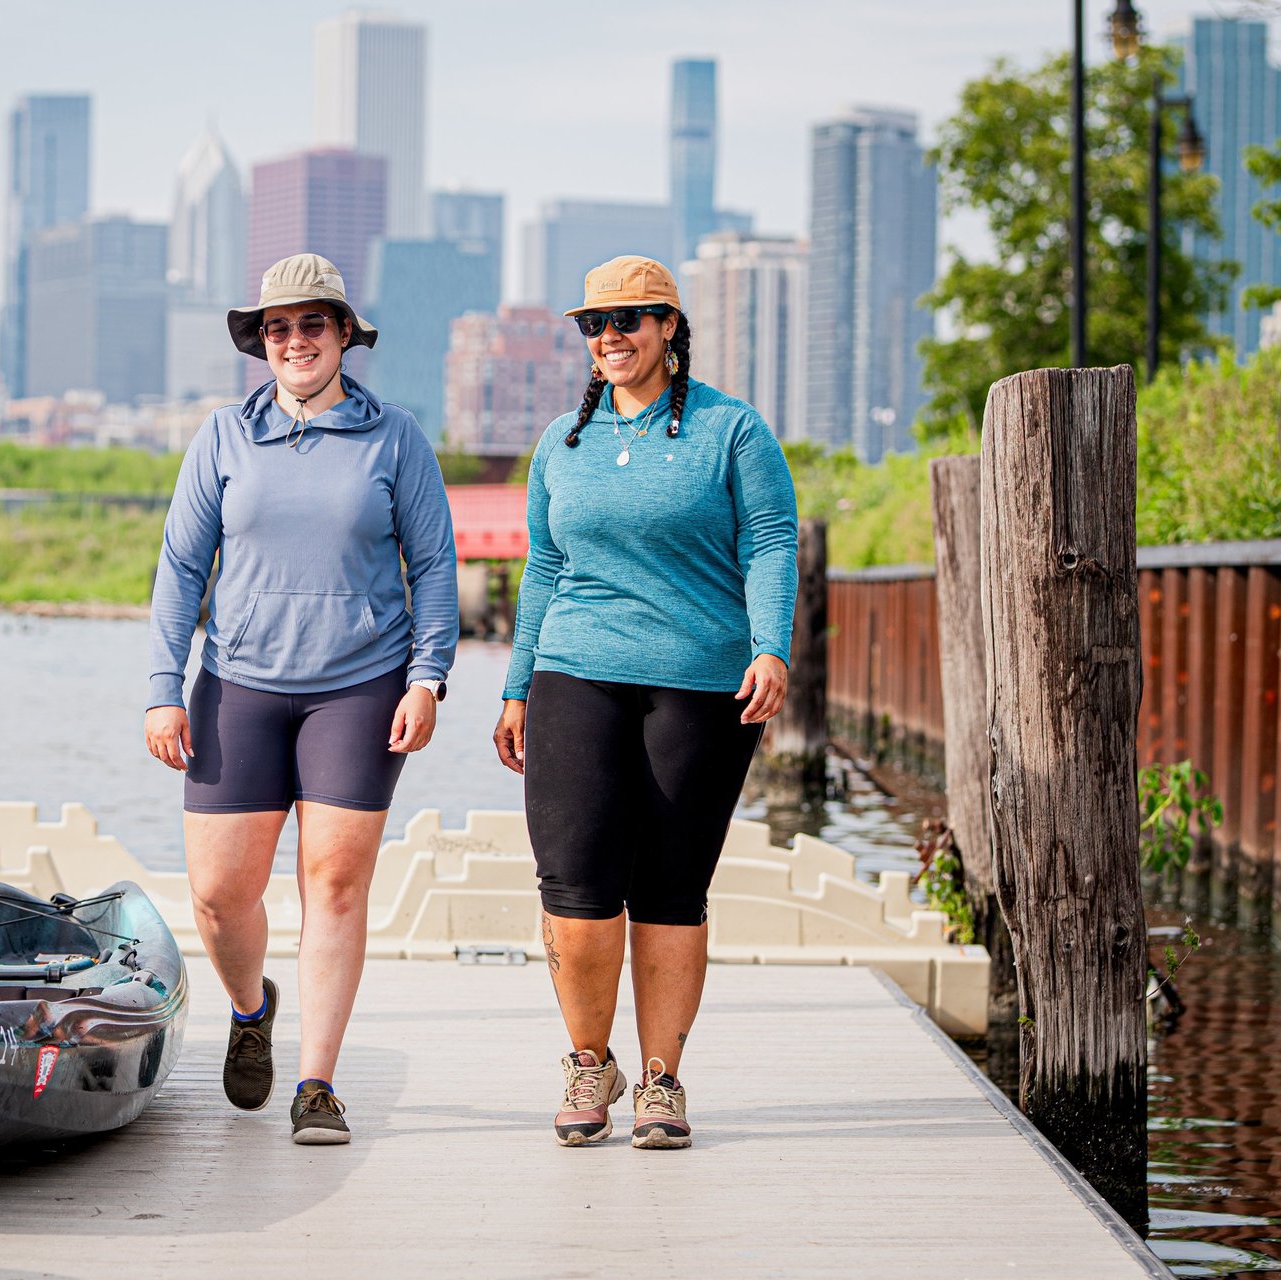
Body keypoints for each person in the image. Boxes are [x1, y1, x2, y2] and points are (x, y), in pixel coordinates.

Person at [146, 252, 457, 1145]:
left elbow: (435, 566)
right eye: (277, 328)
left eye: (312, 324)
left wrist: (428, 676)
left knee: (335, 885)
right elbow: (179, 569)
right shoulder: (222, 436)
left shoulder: (395, 437)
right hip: (237, 686)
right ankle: (252, 1011)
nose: (294, 341)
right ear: (262, 342)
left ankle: (317, 1084)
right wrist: (164, 689)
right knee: (216, 894)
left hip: (360, 689)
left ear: (343, 336)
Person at [492, 255, 798, 1150]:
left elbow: (772, 541)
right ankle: (591, 1063)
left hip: (699, 683)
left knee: (670, 889)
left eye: (628, 320)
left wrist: (769, 644)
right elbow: (543, 565)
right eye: (594, 324)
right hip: (573, 673)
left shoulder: (730, 431)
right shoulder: (562, 442)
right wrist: (516, 683)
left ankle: (660, 1081)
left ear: (669, 327)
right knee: (576, 886)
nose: (609, 337)